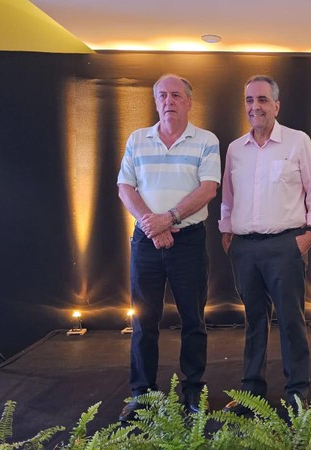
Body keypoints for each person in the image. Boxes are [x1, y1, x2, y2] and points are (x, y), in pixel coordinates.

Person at [219, 75, 311, 414]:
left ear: (276, 106)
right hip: (244, 249)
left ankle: (297, 393)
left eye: (263, 100)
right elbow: (228, 197)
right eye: (250, 100)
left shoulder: (297, 141)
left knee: (291, 321)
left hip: (285, 246)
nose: (255, 106)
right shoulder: (235, 149)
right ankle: (251, 392)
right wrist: (227, 233)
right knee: (254, 322)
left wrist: (310, 233)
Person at [116, 74, 221, 422]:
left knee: (193, 319)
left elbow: (208, 189)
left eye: (176, 95)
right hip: (146, 241)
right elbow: (125, 188)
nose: (168, 101)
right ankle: (142, 394)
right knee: (143, 321)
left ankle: (193, 390)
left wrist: (169, 218)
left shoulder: (206, 140)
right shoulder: (137, 139)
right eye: (162, 95)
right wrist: (152, 224)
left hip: (188, 242)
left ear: (189, 102)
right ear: (155, 101)